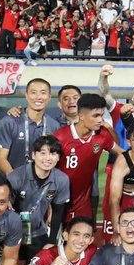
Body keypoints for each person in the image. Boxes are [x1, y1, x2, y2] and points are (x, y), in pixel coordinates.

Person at [56, 92, 121, 231]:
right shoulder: (60, 137)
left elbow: (121, 153)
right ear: (81, 116)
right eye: (95, 116)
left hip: (82, 202)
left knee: (83, 239)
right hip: (58, 200)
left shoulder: (102, 135)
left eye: (101, 116)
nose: (100, 120)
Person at [5, 134, 73, 261]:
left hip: (38, 231)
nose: (48, 158)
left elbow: (58, 213)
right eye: (43, 153)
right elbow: (7, 210)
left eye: (53, 154)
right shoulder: (16, 177)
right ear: (33, 155)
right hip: (13, 231)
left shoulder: (61, 180)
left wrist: (52, 241)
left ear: (58, 157)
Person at [0, 77, 62, 176]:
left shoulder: (54, 126)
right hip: (12, 183)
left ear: (49, 97)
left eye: (43, 93)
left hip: (40, 184)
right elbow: (0, 158)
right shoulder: (9, 122)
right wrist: (16, 180)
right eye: (33, 92)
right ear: (26, 95)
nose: (38, 97)